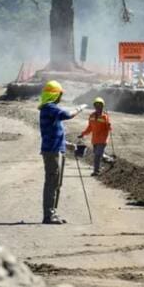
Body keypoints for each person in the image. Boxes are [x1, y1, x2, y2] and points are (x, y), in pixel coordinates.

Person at [38, 80, 87, 224]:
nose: (61, 97)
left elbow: (53, 134)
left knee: (55, 183)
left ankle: (52, 213)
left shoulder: (49, 110)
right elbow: (68, 114)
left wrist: (68, 145)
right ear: (54, 95)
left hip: (54, 150)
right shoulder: (50, 108)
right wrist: (80, 108)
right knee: (52, 182)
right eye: (59, 94)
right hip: (52, 152)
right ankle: (49, 215)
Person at [78, 97, 112, 176]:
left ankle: (96, 171)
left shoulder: (105, 116)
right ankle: (109, 161)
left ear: (102, 106)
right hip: (95, 140)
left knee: (97, 155)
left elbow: (109, 128)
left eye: (99, 105)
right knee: (99, 155)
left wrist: (109, 125)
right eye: (96, 105)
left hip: (103, 139)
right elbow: (89, 128)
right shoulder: (92, 116)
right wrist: (83, 134)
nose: (98, 107)